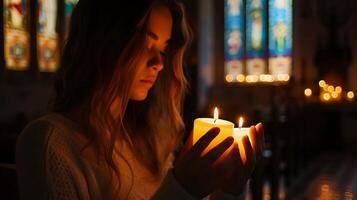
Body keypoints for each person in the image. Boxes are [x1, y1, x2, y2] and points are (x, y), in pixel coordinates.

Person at [16, 0, 265, 199]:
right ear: (104, 41)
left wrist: (228, 190)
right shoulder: (51, 144)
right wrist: (183, 187)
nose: (158, 64)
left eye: (163, 49)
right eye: (145, 44)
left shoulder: (150, 139)